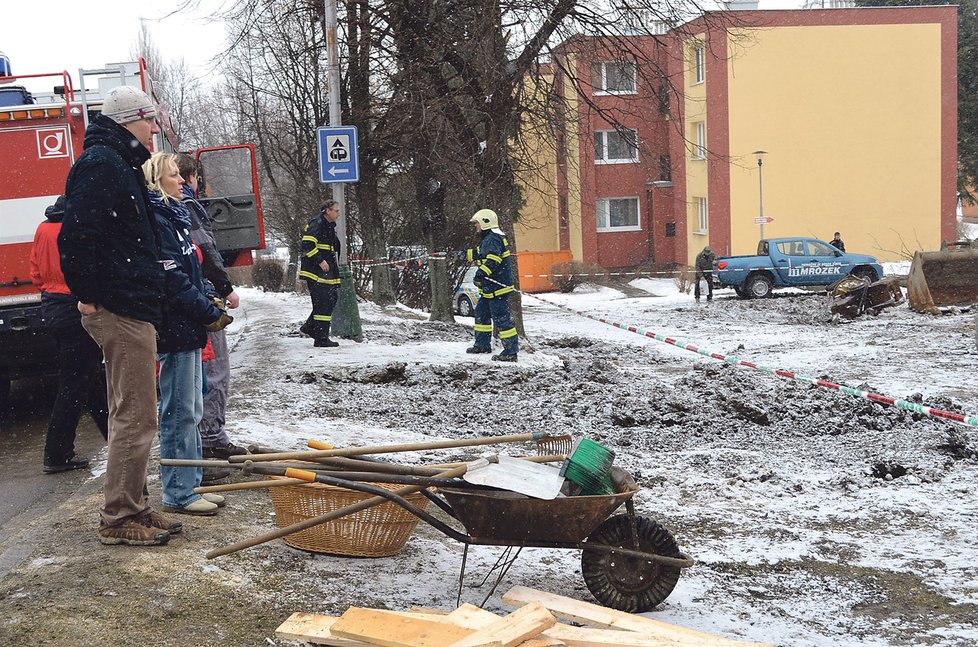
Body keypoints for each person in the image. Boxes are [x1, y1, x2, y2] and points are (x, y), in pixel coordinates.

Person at [59, 86, 176, 546]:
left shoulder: (116, 162)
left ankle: (136, 507)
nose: (153, 130)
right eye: (149, 121)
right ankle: (120, 517)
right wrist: (87, 295)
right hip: (119, 308)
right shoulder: (103, 165)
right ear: (131, 119)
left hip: (129, 305)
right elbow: (77, 236)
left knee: (134, 413)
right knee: (136, 416)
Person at [143, 152, 232, 517]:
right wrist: (206, 310)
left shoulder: (177, 215)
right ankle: (178, 492)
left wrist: (207, 300)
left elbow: (189, 272)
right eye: (174, 174)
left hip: (188, 327)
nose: (182, 180)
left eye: (181, 174)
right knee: (178, 412)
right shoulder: (158, 220)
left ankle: (191, 484)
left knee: (192, 408)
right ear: (156, 181)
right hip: (175, 329)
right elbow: (172, 280)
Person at [174, 154, 246, 464]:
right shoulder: (188, 207)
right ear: (193, 178)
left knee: (198, 373)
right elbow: (206, 251)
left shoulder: (171, 209)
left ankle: (205, 438)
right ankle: (211, 438)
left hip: (189, 298)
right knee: (214, 370)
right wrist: (226, 287)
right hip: (202, 298)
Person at [30, 195, 109, 474]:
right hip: (75, 306)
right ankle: (56, 453)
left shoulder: (43, 228)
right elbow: (86, 270)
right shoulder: (75, 229)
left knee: (86, 378)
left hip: (52, 305)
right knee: (76, 382)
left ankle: (112, 436)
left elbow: (36, 274)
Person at [463, 208, 519, 362]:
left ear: (485, 223)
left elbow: (493, 260)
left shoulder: (492, 239)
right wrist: (462, 254)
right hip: (489, 289)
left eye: (477, 224)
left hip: (498, 288)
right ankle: (482, 345)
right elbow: (481, 253)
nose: (476, 227)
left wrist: (481, 273)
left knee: (501, 319)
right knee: (481, 314)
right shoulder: (490, 238)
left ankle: (510, 351)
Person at [299, 201, 342, 348]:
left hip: (325, 271)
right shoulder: (317, 223)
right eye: (336, 211)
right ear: (327, 211)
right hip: (316, 271)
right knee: (324, 301)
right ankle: (321, 338)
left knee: (330, 299)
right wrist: (320, 261)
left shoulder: (327, 225)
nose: (338, 213)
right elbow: (307, 244)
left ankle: (311, 328)